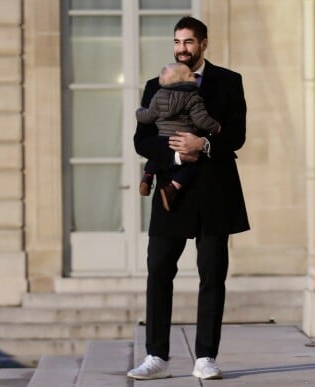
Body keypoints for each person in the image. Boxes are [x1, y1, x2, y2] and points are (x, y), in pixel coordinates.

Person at [127, 16, 249, 381]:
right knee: (159, 272)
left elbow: (237, 135)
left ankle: (206, 357)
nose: (182, 48)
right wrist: (178, 154)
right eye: (177, 41)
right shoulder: (156, 84)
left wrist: (205, 144)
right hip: (170, 195)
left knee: (213, 275)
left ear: (204, 43)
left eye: (189, 42)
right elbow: (142, 140)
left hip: (215, 193)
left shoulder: (229, 82)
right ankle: (156, 357)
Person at [136, 62, 221, 212]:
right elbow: (201, 120)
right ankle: (173, 187)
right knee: (192, 166)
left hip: (164, 139)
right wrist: (215, 127)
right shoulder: (192, 97)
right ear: (183, 80)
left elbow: (149, 116)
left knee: (156, 158)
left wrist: (139, 112)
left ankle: (148, 176)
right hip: (183, 140)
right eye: (189, 74)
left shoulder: (159, 95)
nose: (193, 76)